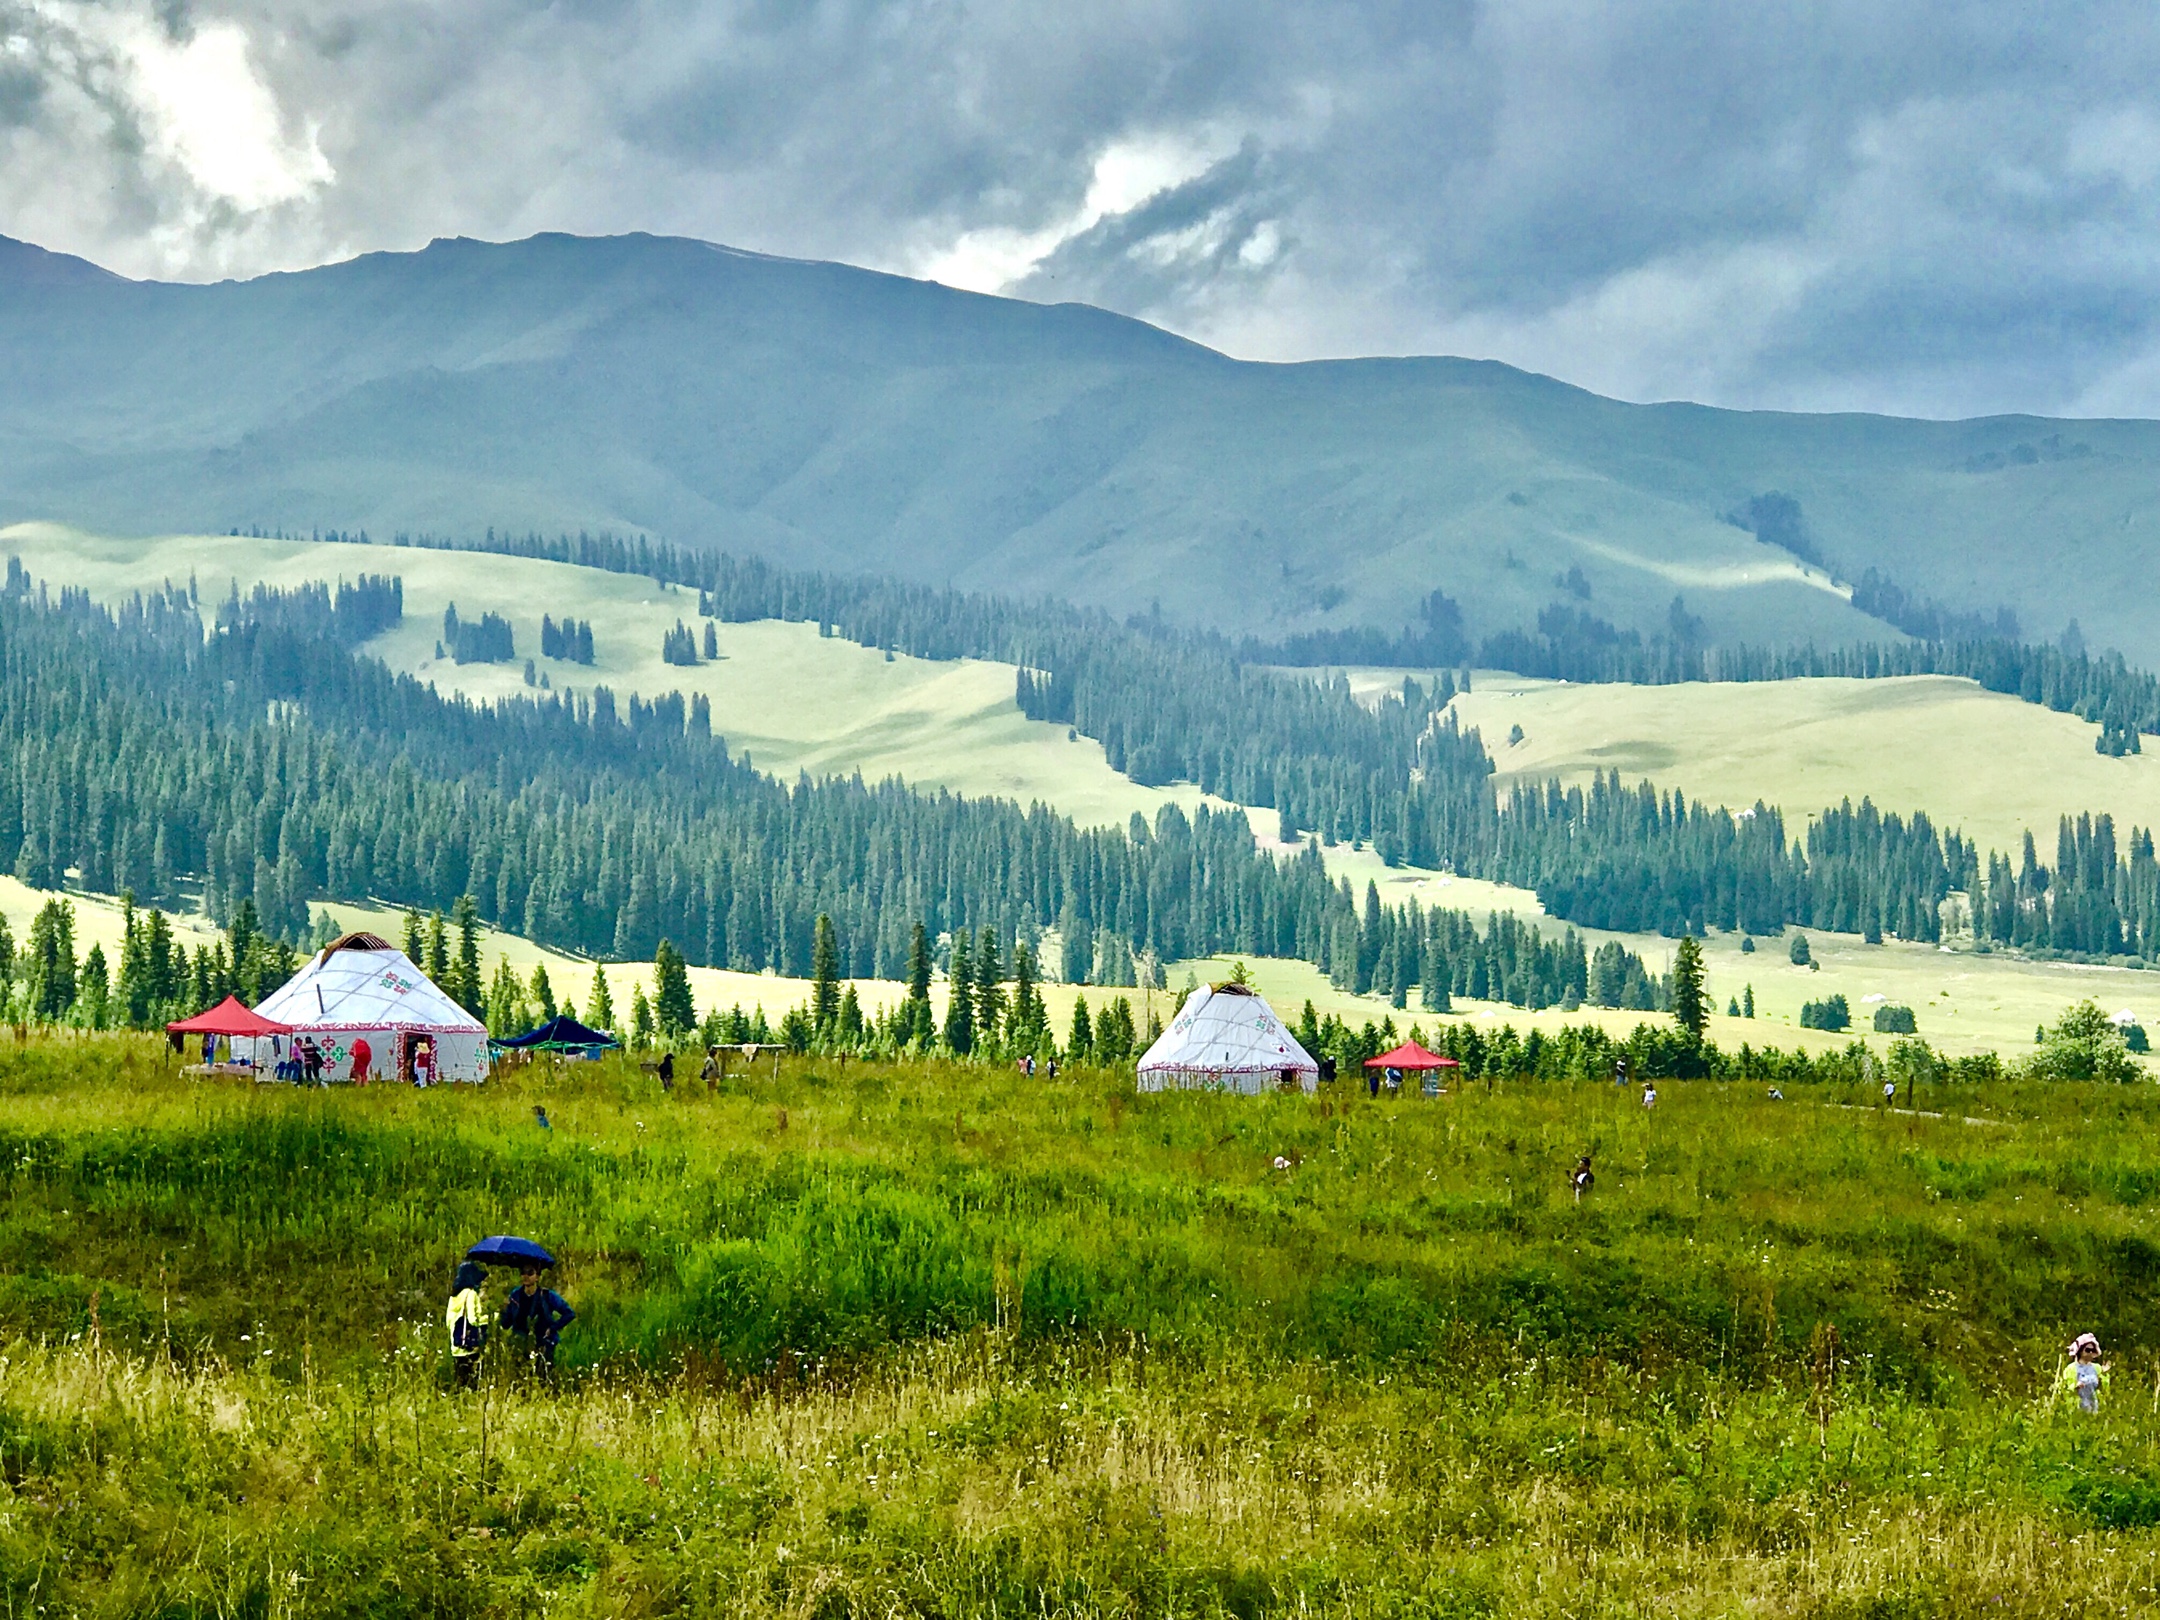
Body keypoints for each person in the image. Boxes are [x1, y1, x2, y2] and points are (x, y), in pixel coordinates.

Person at [498, 1265, 575, 1382]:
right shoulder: (515, 1295)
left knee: (543, 1378)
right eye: (523, 1272)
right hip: (520, 1342)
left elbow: (569, 1313)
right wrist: (503, 1310)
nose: (526, 1276)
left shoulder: (547, 1295)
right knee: (520, 1378)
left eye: (530, 1273)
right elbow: (506, 1324)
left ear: (537, 1277)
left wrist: (553, 1328)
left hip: (543, 1342)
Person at [446, 1261, 489, 1389]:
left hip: (456, 1344)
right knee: (472, 1382)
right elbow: (472, 1320)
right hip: (469, 1345)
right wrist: (489, 1319)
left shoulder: (453, 1296)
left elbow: (449, 1321)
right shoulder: (471, 1294)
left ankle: (459, 1405)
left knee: (460, 1380)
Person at [2056, 1333, 2110, 1413]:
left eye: (2093, 1350)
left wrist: (2105, 1374)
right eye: (2088, 1350)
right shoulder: (2071, 1368)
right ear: (2080, 1351)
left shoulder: (2097, 1367)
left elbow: (2104, 1389)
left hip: (2094, 1406)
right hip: (2076, 1407)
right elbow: (2065, 1388)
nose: (2090, 1352)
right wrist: (2075, 1386)